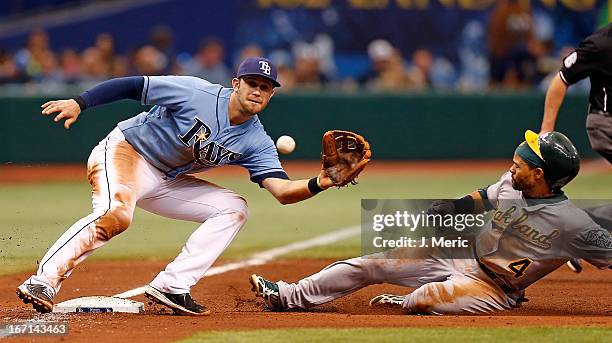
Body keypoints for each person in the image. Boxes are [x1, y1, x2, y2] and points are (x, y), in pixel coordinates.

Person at [16, 57, 344, 316]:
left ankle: (173, 286)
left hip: (165, 178)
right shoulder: (196, 93)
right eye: (252, 83)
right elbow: (134, 85)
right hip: (125, 151)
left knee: (235, 209)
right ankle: (42, 282)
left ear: (272, 94)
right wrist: (80, 102)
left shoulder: (257, 141)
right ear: (236, 84)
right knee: (116, 215)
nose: (257, 90)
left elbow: (283, 192)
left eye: (266, 87)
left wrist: (323, 181)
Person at [250, 130, 611, 314]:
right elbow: (485, 196)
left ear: (539, 174)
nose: (513, 164)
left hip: (497, 290)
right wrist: (454, 206)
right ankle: (286, 296)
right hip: (463, 256)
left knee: (426, 298)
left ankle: (408, 302)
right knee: (375, 260)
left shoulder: (573, 224)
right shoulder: (512, 182)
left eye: (521, 162)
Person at [540, 23, 612, 273]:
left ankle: (573, 231)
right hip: (606, 122)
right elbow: (560, 80)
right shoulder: (600, 43)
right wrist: (546, 129)